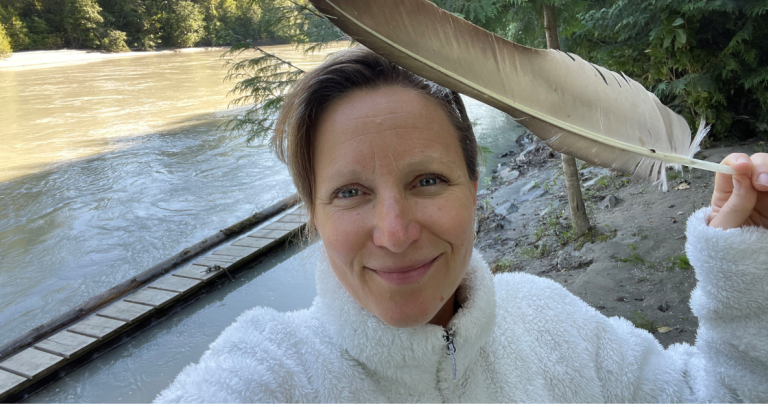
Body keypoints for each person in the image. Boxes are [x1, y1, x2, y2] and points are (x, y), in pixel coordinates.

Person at [154, 47, 768, 403]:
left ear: (474, 190)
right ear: (313, 214)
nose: (394, 232)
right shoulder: (271, 368)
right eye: (350, 192)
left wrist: (743, 263)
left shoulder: (552, 320)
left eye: (427, 181)